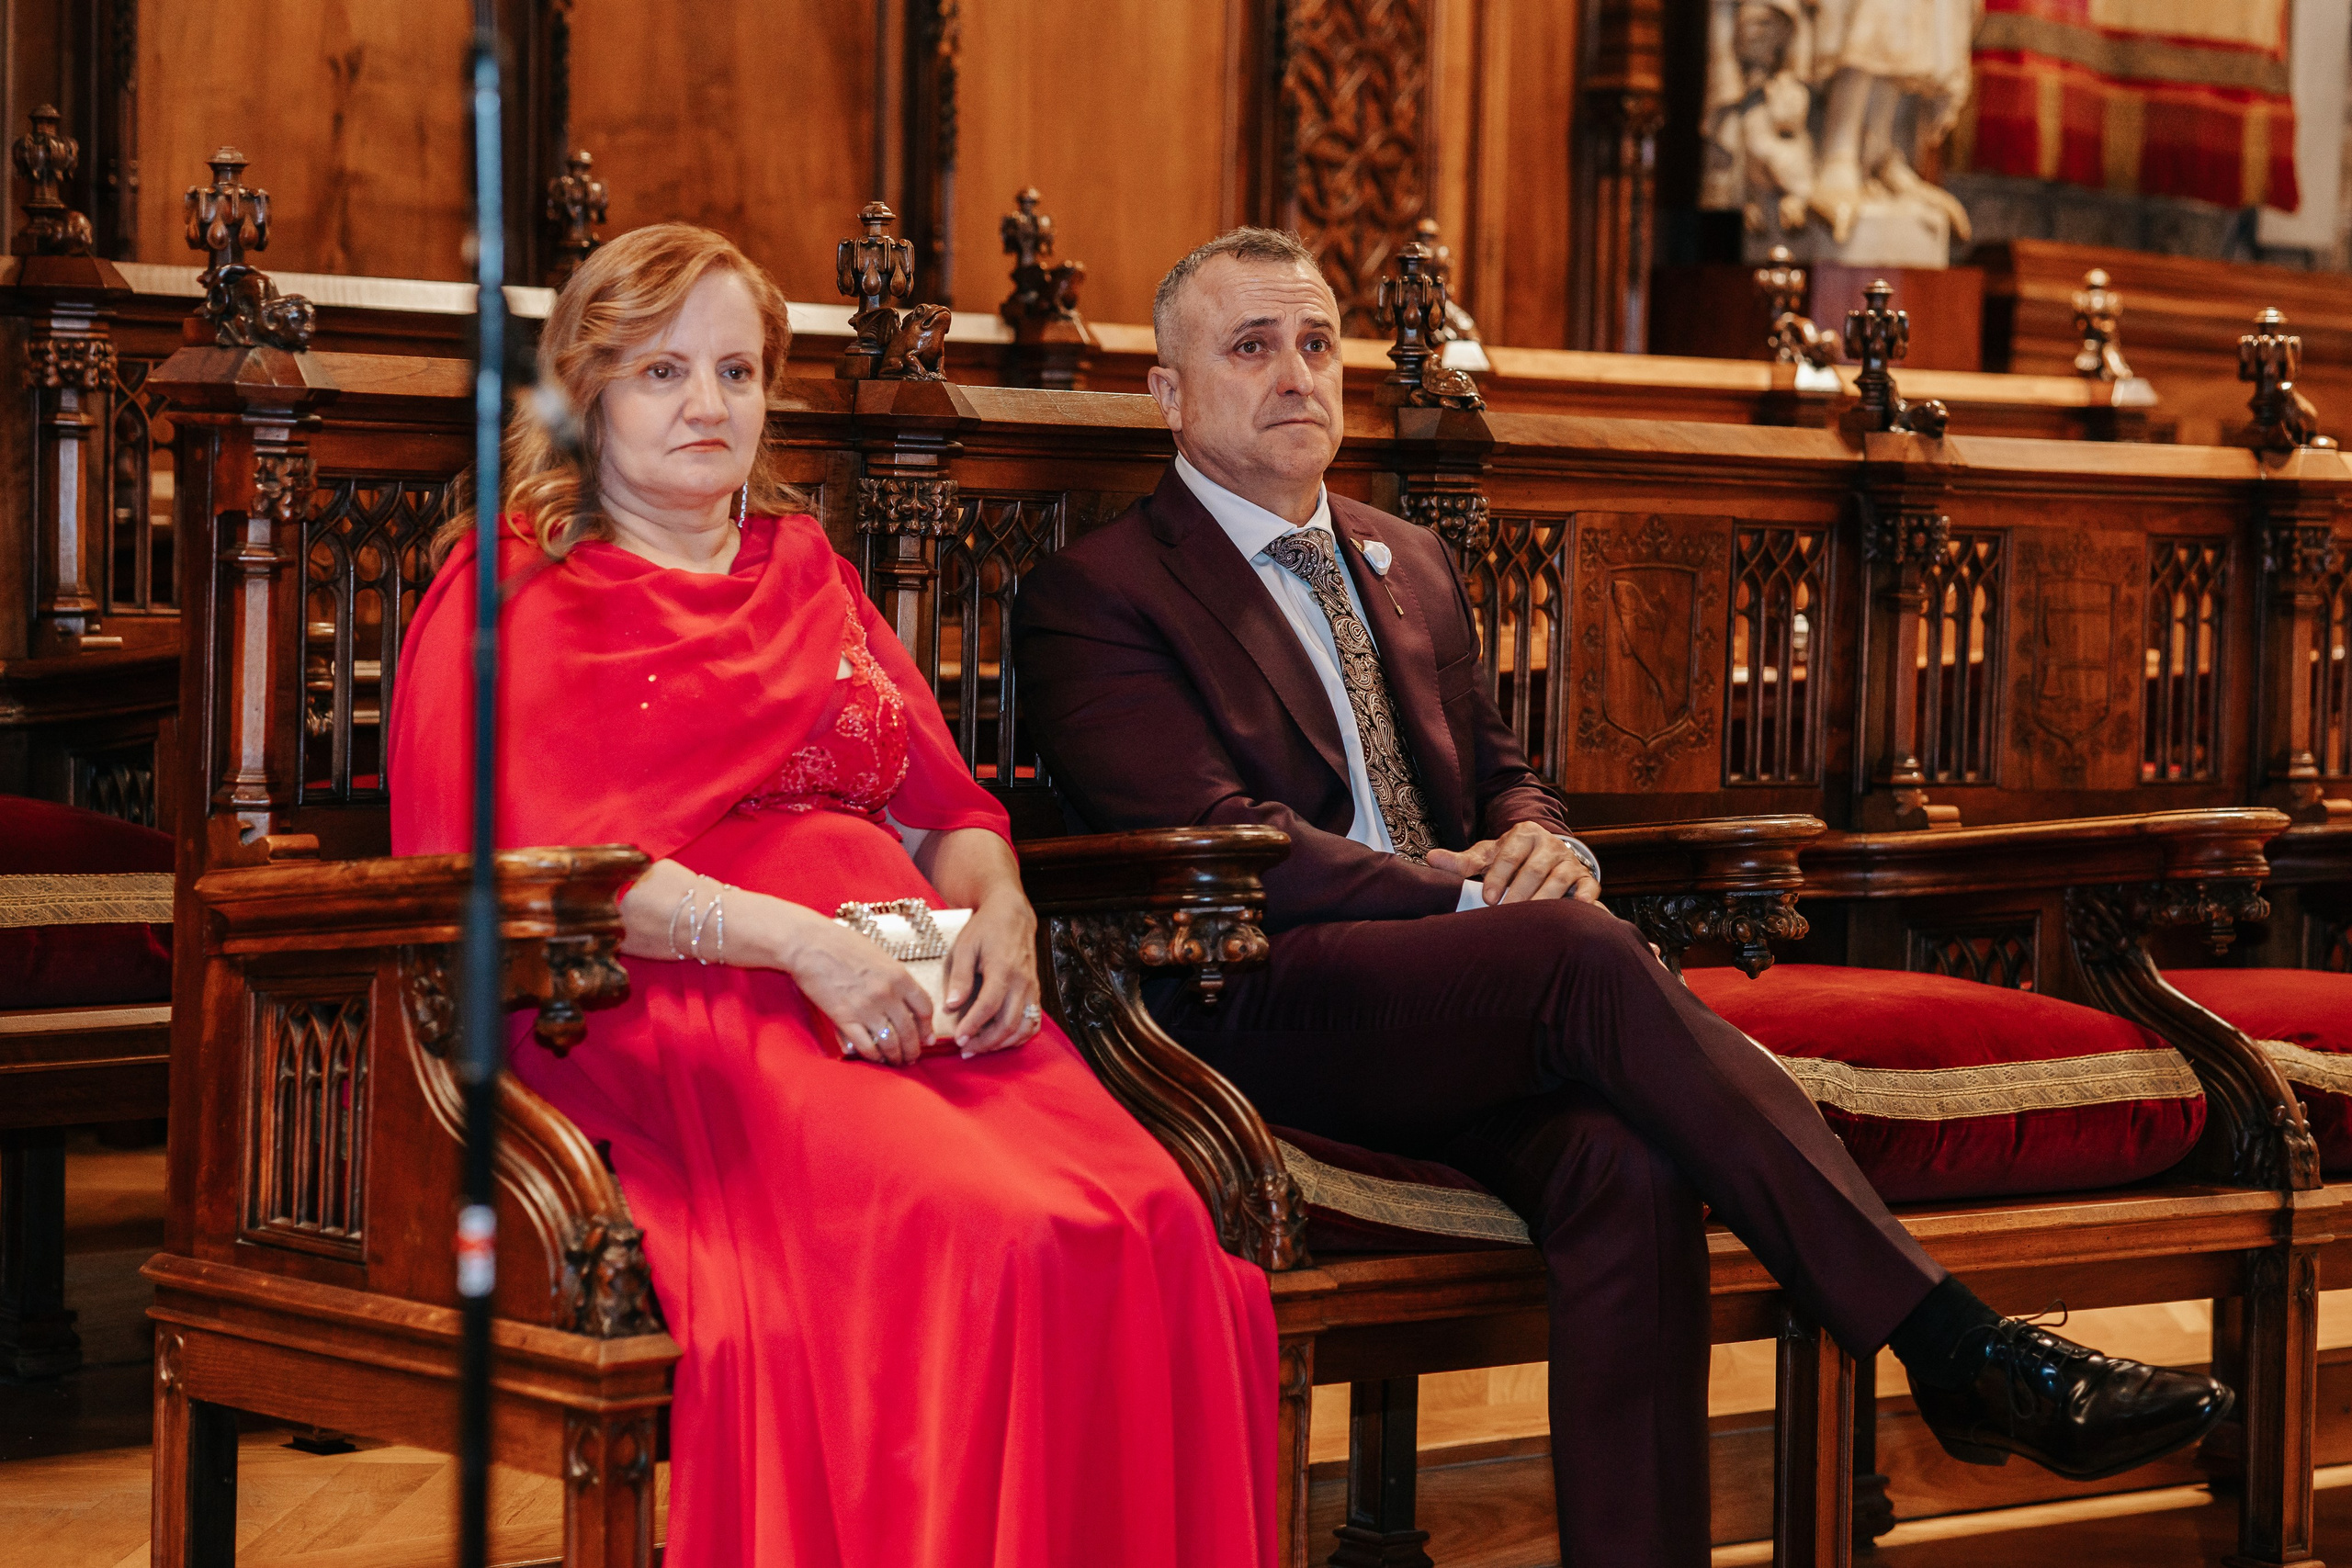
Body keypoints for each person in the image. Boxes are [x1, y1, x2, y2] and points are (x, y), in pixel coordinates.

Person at [1009, 227, 2230, 1566]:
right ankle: (1959, 1348)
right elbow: (1216, 842)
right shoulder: (1101, 591)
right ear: (1169, 394)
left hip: (1472, 992)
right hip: (1260, 997)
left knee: (1627, 1162)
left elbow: (1506, 777)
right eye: (1251, 348)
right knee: (1582, 961)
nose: (1296, 374)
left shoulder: (1403, 560)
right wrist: (1472, 900)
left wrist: (1544, 849)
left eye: (1314, 343)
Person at [388, 223, 1274, 1568]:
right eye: (662, 372)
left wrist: (1003, 917)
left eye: (737, 373)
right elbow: (512, 863)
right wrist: (802, 948)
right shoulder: (515, 591)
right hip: (662, 998)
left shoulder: (812, 575)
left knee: (1151, 1219)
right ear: (584, 394)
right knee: (995, 1241)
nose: (709, 406)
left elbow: (947, 808)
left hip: (898, 963)